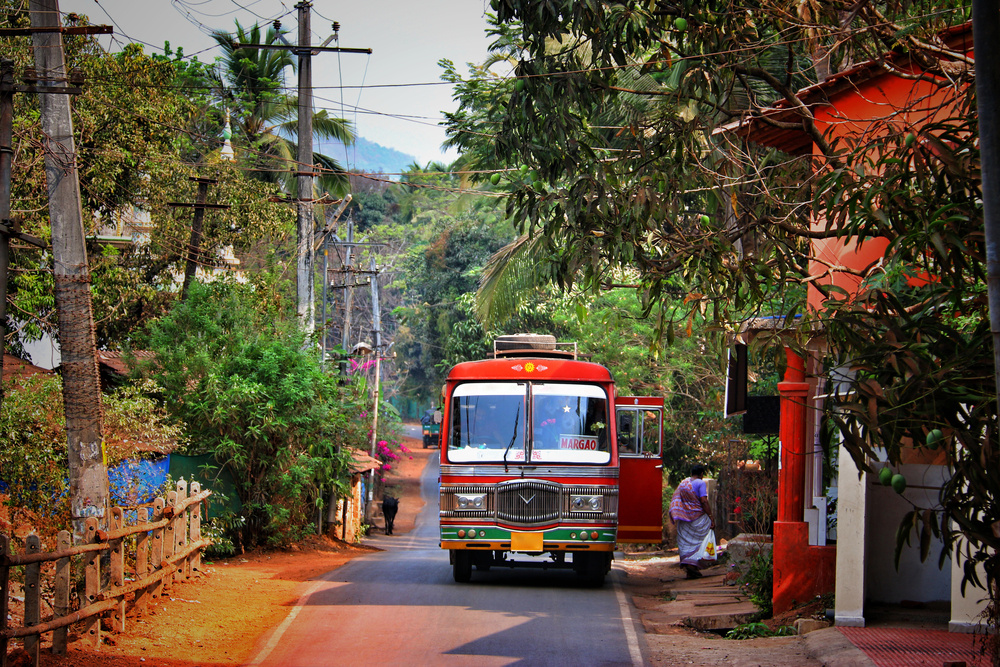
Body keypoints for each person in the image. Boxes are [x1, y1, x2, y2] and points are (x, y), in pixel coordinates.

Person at [669, 464, 715, 579]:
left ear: (691, 474)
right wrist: (711, 517)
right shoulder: (700, 483)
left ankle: (690, 568)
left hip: (684, 519)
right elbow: (703, 501)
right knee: (704, 537)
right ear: (701, 474)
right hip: (698, 518)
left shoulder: (683, 483)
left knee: (686, 542)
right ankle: (693, 564)